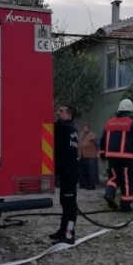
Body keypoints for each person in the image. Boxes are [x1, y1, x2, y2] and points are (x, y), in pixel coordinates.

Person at [99, 98, 133, 213]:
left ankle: (109, 193)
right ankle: (125, 206)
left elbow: (103, 141)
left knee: (114, 178)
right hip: (126, 158)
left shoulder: (109, 122)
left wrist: (102, 155)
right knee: (127, 181)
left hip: (111, 157)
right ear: (130, 110)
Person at [50, 104, 79, 244]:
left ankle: (68, 235)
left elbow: (49, 125)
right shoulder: (70, 128)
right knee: (65, 202)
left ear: (69, 115)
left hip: (70, 172)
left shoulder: (64, 127)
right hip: (67, 171)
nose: (57, 113)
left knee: (70, 205)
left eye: (61, 111)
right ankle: (62, 231)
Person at [78, 123, 100, 190]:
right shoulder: (81, 136)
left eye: (86, 127)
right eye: (84, 127)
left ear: (89, 128)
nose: (85, 129)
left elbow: (98, 145)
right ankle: (84, 185)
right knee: (83, 171)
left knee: (91, 171)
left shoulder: (92, 136)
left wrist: (98, 153)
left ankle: (91, 185)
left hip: (91, 156)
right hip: (82, 156)